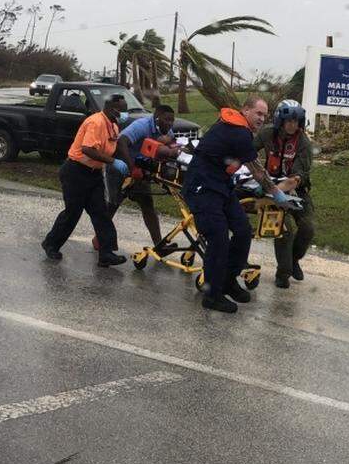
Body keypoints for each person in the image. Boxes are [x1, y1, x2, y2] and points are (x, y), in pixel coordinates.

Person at [182, 96, 294, 314]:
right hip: (202, 188)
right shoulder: (239, 132)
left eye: (265, 115)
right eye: (258, 113)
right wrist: (276, 193)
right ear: (245, 110)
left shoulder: (237, 128)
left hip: (222, 186)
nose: (262, 118)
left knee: (243, 231)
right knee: (219, 239)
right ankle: (212, 295)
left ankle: (227, 281)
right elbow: (257, 169)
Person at [42, 94, 129, 266]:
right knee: (73, 212)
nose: (125, 114)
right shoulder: (95, 122)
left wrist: (127, 163)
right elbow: (87, 149)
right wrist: (113, 162)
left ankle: (106, 253)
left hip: (94, 173)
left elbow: (113, 147)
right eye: (122, 110)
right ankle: (51, 244)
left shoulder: (113, 125)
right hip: (75, 171)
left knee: (101, 212)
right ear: (111, 109)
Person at [254, 100, 316, 289]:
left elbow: (295, 179)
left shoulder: (304, 143)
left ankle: (294, 259)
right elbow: (247, 152)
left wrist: (273, 192)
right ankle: (283, 273)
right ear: (280, 120)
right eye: (288, 120)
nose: (292, 125)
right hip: (271, 186)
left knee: (308, 228)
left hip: (295, 189)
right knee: (284, 230)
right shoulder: (267, 134)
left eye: (296, 121)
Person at [106, 103, 183, 253]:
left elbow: (170, 148)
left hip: (140, 171)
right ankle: (101, 241)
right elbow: (121, 142)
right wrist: (132, 168)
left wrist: (174, 149)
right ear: (156, 118)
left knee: (148, 206)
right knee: (112, 206)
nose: (170, 124)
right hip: (120, 168)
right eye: (167, 120)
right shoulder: (142, 125)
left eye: (172, 120)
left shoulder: (167, 131)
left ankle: (159, 246)